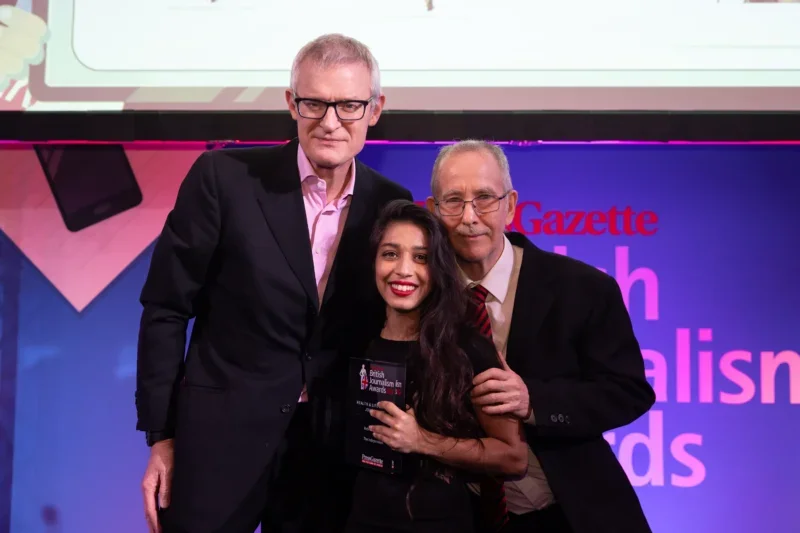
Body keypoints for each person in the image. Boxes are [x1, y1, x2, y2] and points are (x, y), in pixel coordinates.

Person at [135, 34, 412, 533]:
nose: (331, 122)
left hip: (328, 451)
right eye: (314, 103)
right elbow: (166, 307)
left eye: (349, 105)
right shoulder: (224, 178)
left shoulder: (391, 202)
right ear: (291, 104)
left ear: (375, 109)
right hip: (218, 445)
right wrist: (161, 435)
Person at [425, 140, 657, 533]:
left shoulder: (583, 288)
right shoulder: (421, 297)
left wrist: (534, 399)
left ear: (510, 205)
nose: (469, 217)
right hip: (460, 515)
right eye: (453, 201)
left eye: (484, 198)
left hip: (570, 512)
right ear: (433, 211)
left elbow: (628, 392)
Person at [345, 199, 528, 533]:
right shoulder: (356, 340)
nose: (403, 269)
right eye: (390, 254)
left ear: (439, 267)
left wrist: (422, 441)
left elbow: (513, 457)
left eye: (420, 258)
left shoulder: (466, 347)